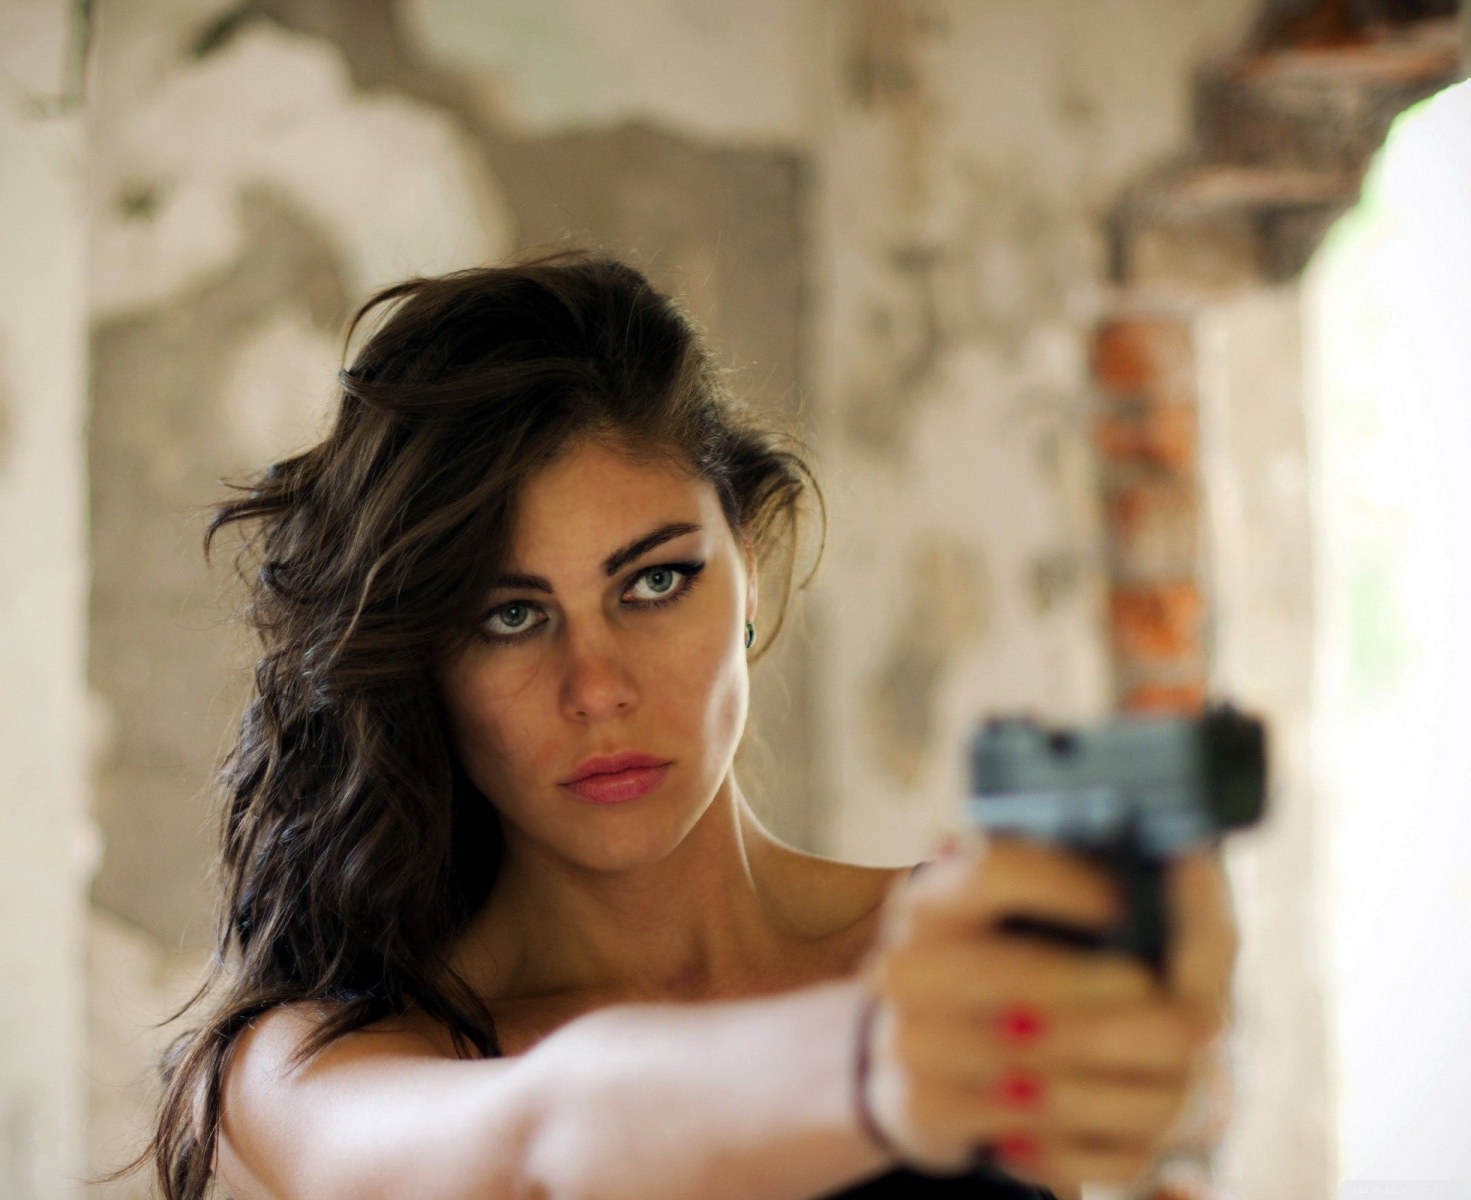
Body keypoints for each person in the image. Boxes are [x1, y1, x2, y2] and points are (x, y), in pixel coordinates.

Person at [141, 252, 1236, 1200]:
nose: (596, 686)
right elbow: (548, 1139)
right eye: (510, 616)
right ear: (425, 658)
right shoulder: (304, 1070)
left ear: (747, 570)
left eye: (655, 583)